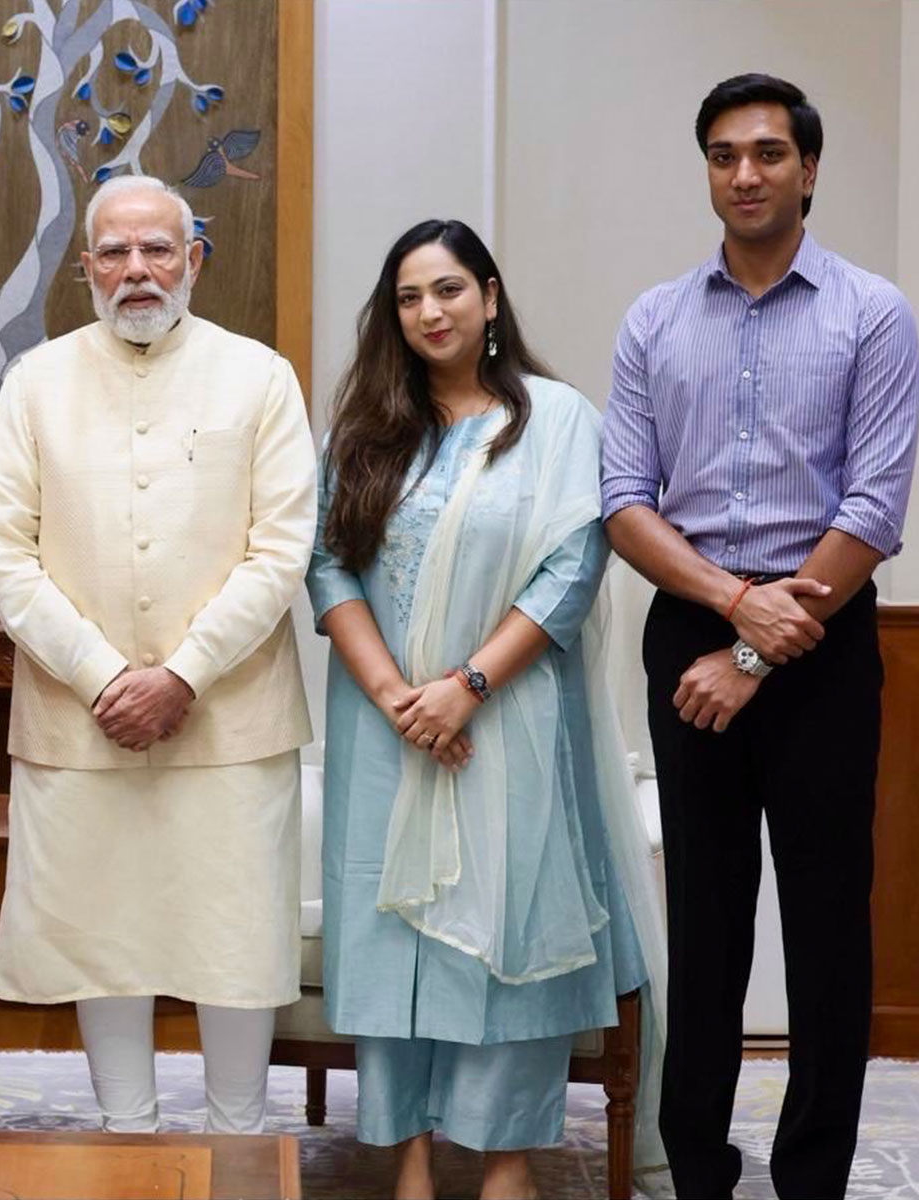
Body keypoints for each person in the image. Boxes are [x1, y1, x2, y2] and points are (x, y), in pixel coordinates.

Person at [601, 74, 919, 1200]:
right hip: (691, 623)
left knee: (828, 921)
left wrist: (755, 649)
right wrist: (734, 613)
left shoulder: (871, 312)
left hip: (823, 629)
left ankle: (813, 1174)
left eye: (769, 153)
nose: (745, 174)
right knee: (705, 913)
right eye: (724, 155)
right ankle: (697, 1167)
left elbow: (874, 505)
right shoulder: (654, 320)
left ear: (808, 169)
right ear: (707, 170)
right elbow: (624, 500)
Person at [308, 219, 665, 1200]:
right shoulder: (364, 431)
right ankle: (409, 1159)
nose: (430, 312)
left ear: (491, 296)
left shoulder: (557, 421)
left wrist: (464, 688)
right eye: (409, 297)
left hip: (509, 720)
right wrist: (398, 698)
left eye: (449, 289)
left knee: (512, 927)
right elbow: (326, 565)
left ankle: (507, 1160)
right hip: (384, 729)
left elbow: (573, 567)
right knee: (393, 938)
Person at [0, 175, 316, 1135]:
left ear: (193, 260)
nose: (138, 270)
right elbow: (6, 552)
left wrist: (181, 675)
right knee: (101, 938)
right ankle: (126, 1140)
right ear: (85, 267)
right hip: (79, 720)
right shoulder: (36, 381)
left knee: (236, 940)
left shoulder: (259, 376)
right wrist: (103, 679)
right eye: (116, 253)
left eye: (158, 249)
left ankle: (240, 1147)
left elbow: (280, 550)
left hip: (230, 718)